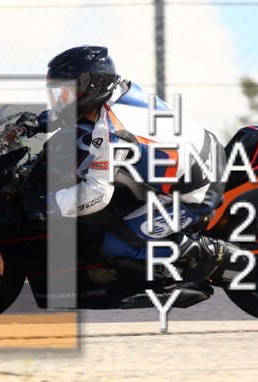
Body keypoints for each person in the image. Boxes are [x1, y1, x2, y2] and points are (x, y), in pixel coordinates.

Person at [17, 45, 246, 285]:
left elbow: (96, 195)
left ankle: (204, 249)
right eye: (58, 93)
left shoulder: (112, 132)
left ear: (91, 85)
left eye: (66, 92)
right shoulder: (117, 89)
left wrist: (47, 205)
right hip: (206, 150)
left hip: (195, 192)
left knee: (117, 246)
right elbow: (77, 109)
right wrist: (40, 122)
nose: (61, 100)